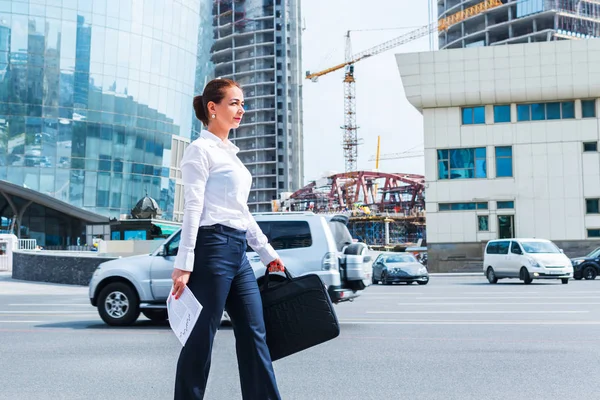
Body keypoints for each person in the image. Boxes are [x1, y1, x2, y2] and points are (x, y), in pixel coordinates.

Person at [171, 78, 285, 400]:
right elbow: (192, 208)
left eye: (242, 104)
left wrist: (266, 252)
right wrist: (184, 263)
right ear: (212, 108)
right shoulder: (199, 150)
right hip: (212, 250)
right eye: (234, 103)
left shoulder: (231, 155)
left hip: (237, 252)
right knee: (200, 339)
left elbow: (241, 210)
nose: (241, 110)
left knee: (254, 333)